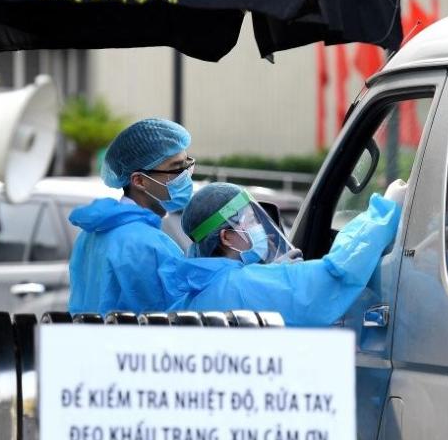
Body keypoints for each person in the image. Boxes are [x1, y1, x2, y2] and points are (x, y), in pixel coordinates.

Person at [161, 181, 406, 326]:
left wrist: (272, 275)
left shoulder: (194, 295)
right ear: (226, 237)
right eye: (251, 221)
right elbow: (336, 276)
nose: (260, 227)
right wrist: (385, 210)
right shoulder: (245, 284)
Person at [68, 118, 193, 315]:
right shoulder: (150, 244)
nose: (185, 176)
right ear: (139, 181)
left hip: (92, 343)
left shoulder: (90, 235)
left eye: (187, 165)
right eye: (176, 169)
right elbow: (171, 319)